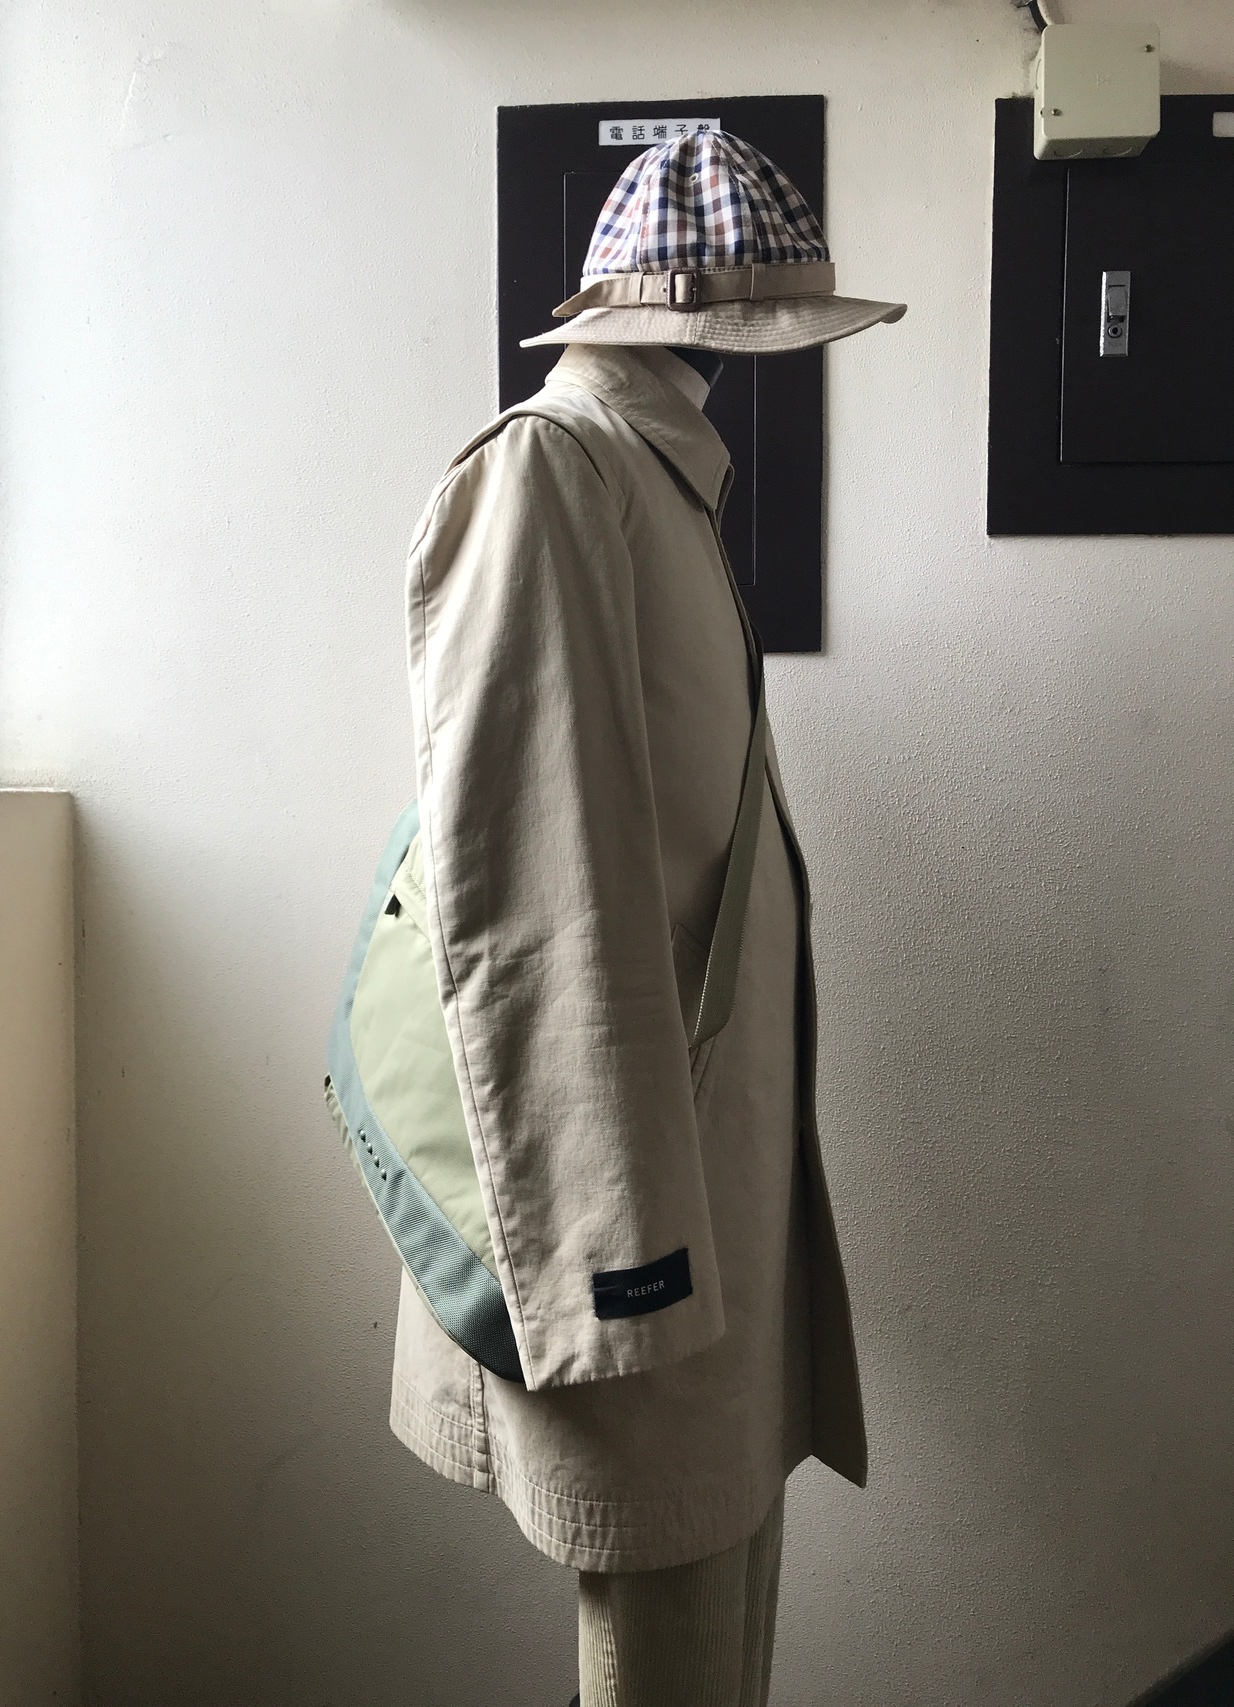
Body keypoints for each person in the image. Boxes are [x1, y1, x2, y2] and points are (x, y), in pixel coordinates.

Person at [391, 129, 905, 1707]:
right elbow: (524, 901)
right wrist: (619, 1269)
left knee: (710, 1603)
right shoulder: (556, 474)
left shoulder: (650, 477)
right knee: (665, 1622)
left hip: (693, 1171)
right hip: (620, 1198)